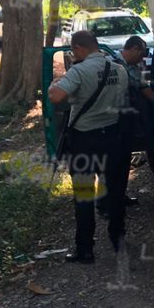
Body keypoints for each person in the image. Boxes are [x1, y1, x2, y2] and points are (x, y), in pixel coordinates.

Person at [48, 31, 129, 264]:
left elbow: (55, 97)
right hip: (113, 136)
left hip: (85, 140)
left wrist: (56, 82)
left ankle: (85, 249)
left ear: (79, 48)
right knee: (115, 191)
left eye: (74, 51)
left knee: (84, 194)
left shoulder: (79, 71)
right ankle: (118, 238)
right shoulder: (119, 69)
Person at [94, 35, 154, 217]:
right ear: (134, 49)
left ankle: (119, 197)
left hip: (125, 123)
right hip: (109, 122)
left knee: (122, 163)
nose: (143, 57)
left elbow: (143, 87)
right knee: (108, 166)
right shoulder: (110, 63)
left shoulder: (133, 67)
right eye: (142, 53)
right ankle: (104, 206)